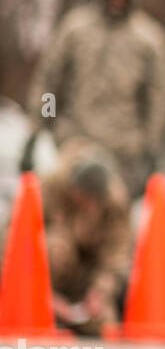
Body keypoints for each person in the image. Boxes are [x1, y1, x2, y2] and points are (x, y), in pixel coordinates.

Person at [27, 0, 165, 198]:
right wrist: (37, 128)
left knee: (111, 219)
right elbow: (49, 80)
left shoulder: (149, 39)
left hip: (122, 149)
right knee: (60, 210)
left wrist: (153, 149)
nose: (117, 2)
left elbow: (158, 98)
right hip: (74, 141)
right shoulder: (75, 28)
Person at [42, 140, 132, 336]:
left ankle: (69, 319)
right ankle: (48, 312)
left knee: (104, 324)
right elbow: (15, 246)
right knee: (56, 247)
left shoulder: (114, 203)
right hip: (46, 280)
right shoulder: (50, 187)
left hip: (84, 281)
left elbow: (115, 257)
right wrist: (45, 296)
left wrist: (99, 293)